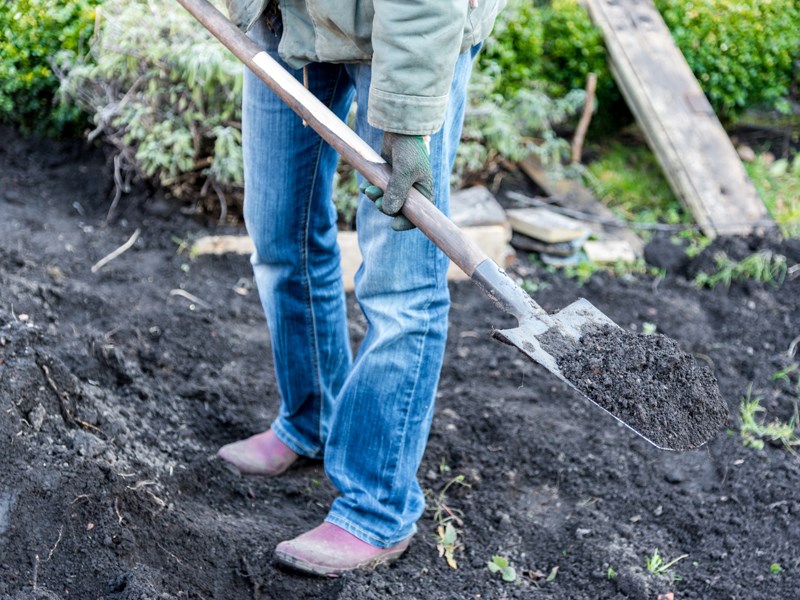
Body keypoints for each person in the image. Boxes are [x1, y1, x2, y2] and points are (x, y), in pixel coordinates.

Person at [217, 0, 503, 576]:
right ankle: (310, 421)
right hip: (288, 17)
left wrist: (409, 120)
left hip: (403, 39)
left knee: (400, 282)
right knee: (280, 237)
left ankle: (376, 507)